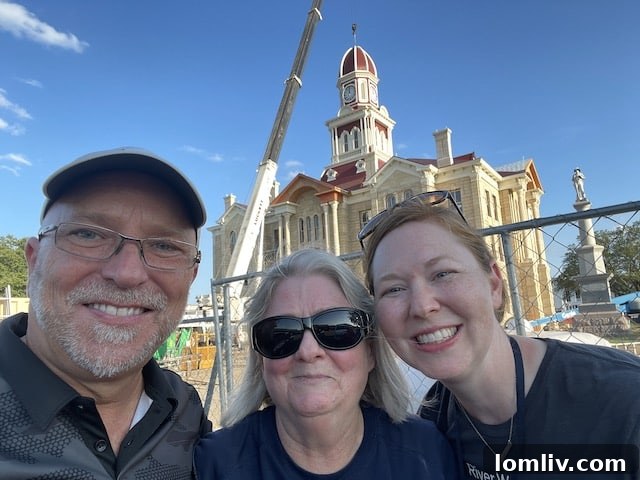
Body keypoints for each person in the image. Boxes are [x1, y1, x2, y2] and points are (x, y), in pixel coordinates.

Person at [360, 191, 640, 479]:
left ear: (494, 284)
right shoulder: (436, 419)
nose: (422, 306)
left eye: (443, 274)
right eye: (393, 289)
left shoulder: (623, 404)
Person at [0, 148, 212, 479]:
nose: (127, 273)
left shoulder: (185, 409)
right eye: (88, 234)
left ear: (191, 277)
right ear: (33, 260)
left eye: (165, 246)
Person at [194, 248, 458, 479]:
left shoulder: (426, 453)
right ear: (261, 360)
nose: (308, 352)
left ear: (371, 352)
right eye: (280, 334)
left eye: (336, 328)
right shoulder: (214, 464)